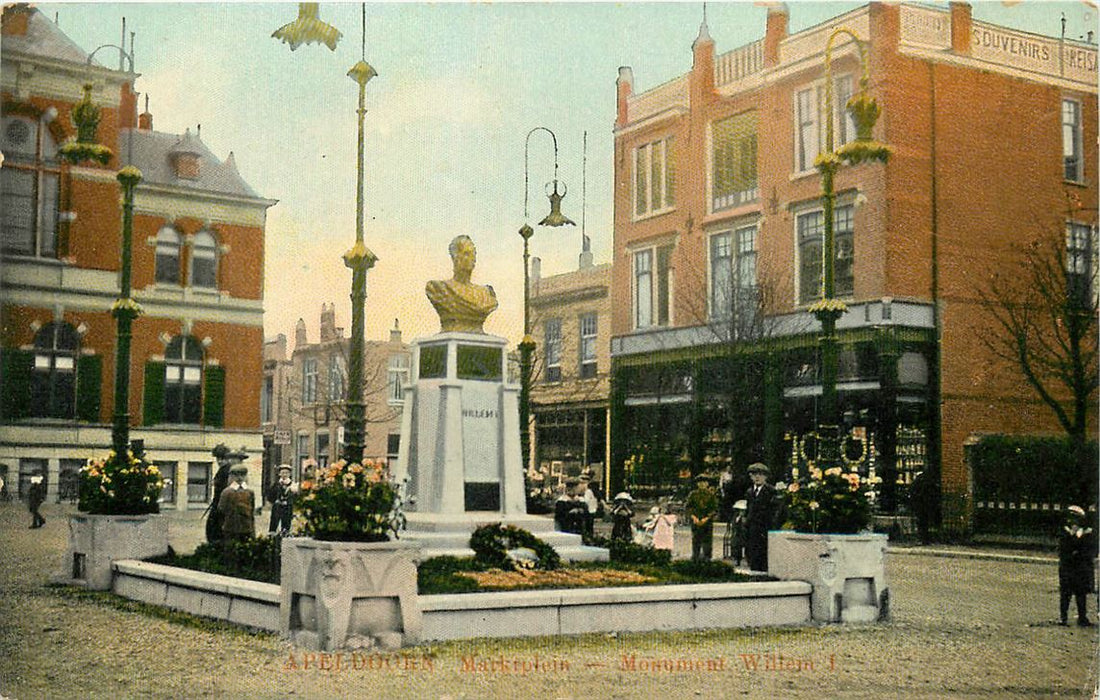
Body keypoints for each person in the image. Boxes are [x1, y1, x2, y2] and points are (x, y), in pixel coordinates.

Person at [425, 235, 499, 333]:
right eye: (466, 254)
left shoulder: (485, 294)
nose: (472, 258)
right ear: (455, 257)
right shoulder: (438, 289)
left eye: (474, 254)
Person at [1058, 505, 1097, 627]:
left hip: (1081, 568)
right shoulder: (1065, 532)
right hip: (1068, 568)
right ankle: (1063, 617)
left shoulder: (1087, 533)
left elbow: (1091, 550)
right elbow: (1063, 550)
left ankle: (1082, 617)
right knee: (1066, 594)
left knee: (1081, 593)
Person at [218, 464, 255, 566]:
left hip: (246, 526)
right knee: (230, 551)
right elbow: (221, 509)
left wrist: (252, 529)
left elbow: (252, 512)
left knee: (245, 551)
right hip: (231, 526)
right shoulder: (227, 492)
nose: (239, 478)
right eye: (236, 475)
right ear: (231, 477)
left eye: (242, 475)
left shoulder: (249, 492)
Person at [743, 462, 778, 572]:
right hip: (752, 527)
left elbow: (774, 511)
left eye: (760, 474)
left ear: (765, 477)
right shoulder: (749, 491)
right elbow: (749, 509)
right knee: (752, 551)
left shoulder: (771, 491)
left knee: (763, 553)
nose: (757, 477)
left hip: (765, 527)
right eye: (754, 474)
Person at [686, 474, 719, 562]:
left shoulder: (711, 495)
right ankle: (695, 557)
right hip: (695, 520)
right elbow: (688, 507)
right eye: (700, 483)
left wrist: (707, 518)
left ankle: (707, 557)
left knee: (707, 540)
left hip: (707, 521)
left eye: (704, 482)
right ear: (697, 484)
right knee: (696, 540)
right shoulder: (693, 494)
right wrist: (693, 517)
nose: (702, 485)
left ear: (707, 484)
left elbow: (714, 508)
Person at [205, 444, 233, 544]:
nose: (220, 461)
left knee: (215, 529)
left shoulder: (227, 470)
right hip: (217, 503)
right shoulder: (223, 469)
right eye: (218, 458)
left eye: (223, 458)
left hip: (222, 504)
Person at [267, 465, 296, 536]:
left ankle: (285, 533)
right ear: (279, 474)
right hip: (277, 507)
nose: (284, 475)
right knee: (274, 521)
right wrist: (274, 501)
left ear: (290, 474)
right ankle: (272, 535)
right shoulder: (276, 484)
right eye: (282, 473)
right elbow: (270, 495)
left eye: (286, 473)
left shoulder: (293, 485)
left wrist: (290, 501)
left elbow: (295, 498)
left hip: (287, 507)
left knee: (286, 522)